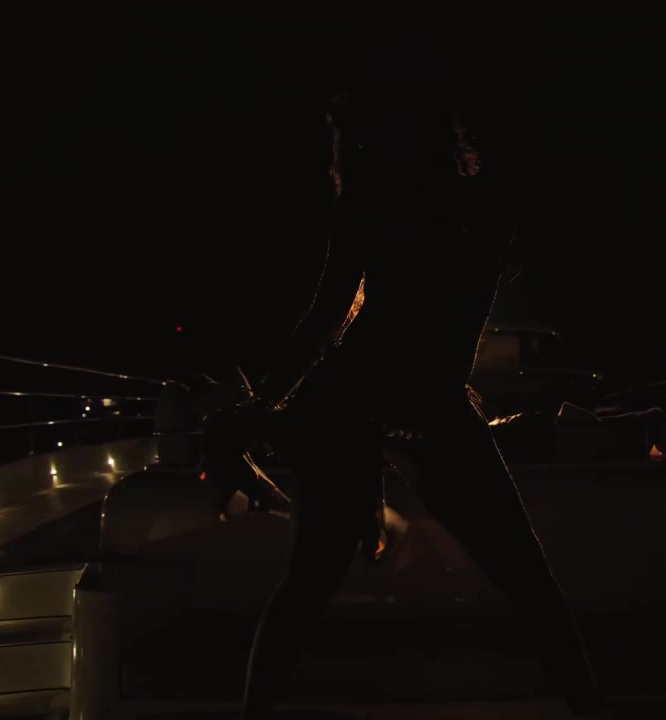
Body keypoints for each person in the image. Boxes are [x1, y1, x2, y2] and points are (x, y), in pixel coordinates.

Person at [231, 82, 601, 718]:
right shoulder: (480, 207)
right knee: (528, 582)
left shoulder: (383, 206)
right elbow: (339, 322)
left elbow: (325, 323)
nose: (346, 155)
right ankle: (591, 708)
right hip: (393, 404)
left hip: (374, 403)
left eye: (351, 142)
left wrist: (264, 407)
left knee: (309, 586)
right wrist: (266, 408)